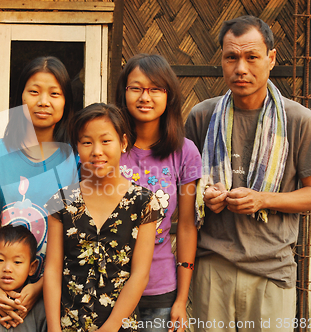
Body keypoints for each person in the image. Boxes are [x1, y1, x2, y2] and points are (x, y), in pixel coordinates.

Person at [184, 16, 311, 332]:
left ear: (271, 59)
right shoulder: (201, 116)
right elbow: (185, 187)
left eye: (252, 57)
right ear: (221, 59)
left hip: (272, 270)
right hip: (213, 267)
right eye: (231, 57)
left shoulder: (298, 120)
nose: (241, 68)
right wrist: (203, 196)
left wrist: (262, 199)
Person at [44, 103, 163, 332]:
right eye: (87, 142)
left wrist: (111, 327)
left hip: (120, 324)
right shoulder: (62, 201)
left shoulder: (143, 202)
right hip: (68, 324)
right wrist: (53, 328)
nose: (96, 150)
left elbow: (140, 274)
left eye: (106, 141)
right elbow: (52, 270)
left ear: (124, 142)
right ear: (77, 148)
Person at [0, 56, 78, 328]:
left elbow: (74, 232)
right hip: (0, 288)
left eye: (54, 94)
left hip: (56, 290)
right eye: (34, 92)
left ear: (66, 101)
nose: (43, 101)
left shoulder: (76, 160)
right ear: (19, 98)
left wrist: (40, 287)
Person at [115, 54, 201, 332]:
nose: (145, 97)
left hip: (160, 289)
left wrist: (181, 299)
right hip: (110, 285)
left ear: (169, 96)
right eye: (136, 88)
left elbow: (187, 226)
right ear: (123, 92)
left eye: (155, 89)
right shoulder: (107, 146)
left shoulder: (185, 152)